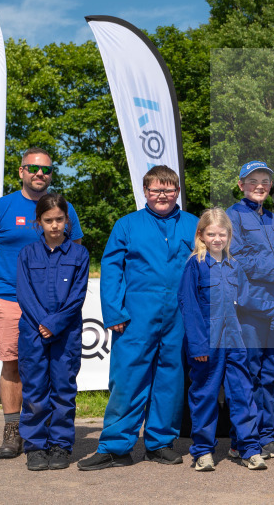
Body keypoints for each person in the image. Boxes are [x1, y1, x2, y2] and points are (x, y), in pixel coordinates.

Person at [78, 166, 198, 471]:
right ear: (145, 192)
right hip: (135, 317)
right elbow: (112, 269)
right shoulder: (127, 225)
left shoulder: (193, 225)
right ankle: (116, 446)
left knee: (170, 380)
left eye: (169, 190)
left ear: (177, 193)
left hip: (178, 316)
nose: (162, 196)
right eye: (156, 190)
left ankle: (159, 442)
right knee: (128, 379)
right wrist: (114, 311)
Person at [0, 147, 83, 460]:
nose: (40, 174)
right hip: (11, 299)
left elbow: (73, 255)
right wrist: (10, 283)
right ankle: (13, 430)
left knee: (55, 371)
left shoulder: (65, 209)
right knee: (13, 364)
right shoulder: (1, 207)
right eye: (33, 168)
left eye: (46, 170)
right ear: (21, 171)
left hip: (55, 307)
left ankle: (51, 436)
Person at [178, 208, 274, 472]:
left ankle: (248, 449)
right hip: (207, 346)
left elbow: (248, 299)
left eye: (221, 234)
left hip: (236, 342)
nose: (216, 239)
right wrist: (199, 346)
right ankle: (203, 451)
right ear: (201, 235)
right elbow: (189, 307)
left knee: (243, 395)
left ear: (229, 235)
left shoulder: (234, 266)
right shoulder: (195, 265)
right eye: (211, 234)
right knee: (204, 396)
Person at [15, 193, 90, 471]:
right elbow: (24, 293)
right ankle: (35, 446)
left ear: (67, 220)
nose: (55, 225)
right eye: (48, 220)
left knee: (63, 390)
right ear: (38, 222)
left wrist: (55, 324)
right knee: (35, 390)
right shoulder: (27, 254)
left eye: (59, 219)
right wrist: (43, 323)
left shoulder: (80, 254)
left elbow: (77, 296)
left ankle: (60, 445)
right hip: (34, 332)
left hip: (66, 334)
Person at [226, 161, 274, 459]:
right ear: (241, 185)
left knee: (268, 373)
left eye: (265, 181)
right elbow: (235, 258)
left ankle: (265, 437)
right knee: (247, 374)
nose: (260, 185)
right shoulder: (232, 217)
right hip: (249, 308)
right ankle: (243, 439)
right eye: (253, 181)